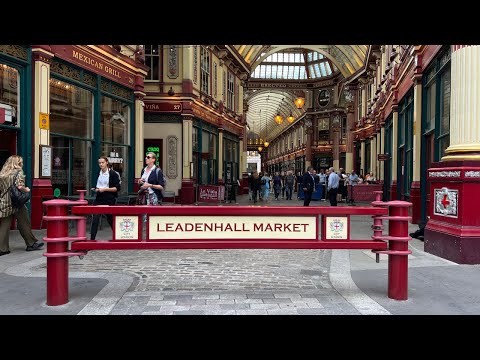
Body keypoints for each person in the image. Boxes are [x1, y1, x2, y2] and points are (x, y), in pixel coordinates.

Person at [0, 155, 44, 255]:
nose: (21, 164)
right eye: (20, 162)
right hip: (16, 202)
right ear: (17, 163)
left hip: (5, 202)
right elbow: (19, 186)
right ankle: (31, 244)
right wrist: (27, 189)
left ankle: (2, 249)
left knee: (4, 224)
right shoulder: (18, 172)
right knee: (24, 221)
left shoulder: (2, 174)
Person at [89, 155, 121, 240]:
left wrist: (105, 189)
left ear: (107, 162)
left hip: (109, 198)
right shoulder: (98, 173)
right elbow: (97, 185)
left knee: (110, 218)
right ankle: (92, 239)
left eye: (103, 162)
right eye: (99, 163)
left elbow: (117, 188)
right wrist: (96, 189)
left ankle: (118, 236)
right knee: (95, 218)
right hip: (99, 197)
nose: (101, 164)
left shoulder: (113, 174)